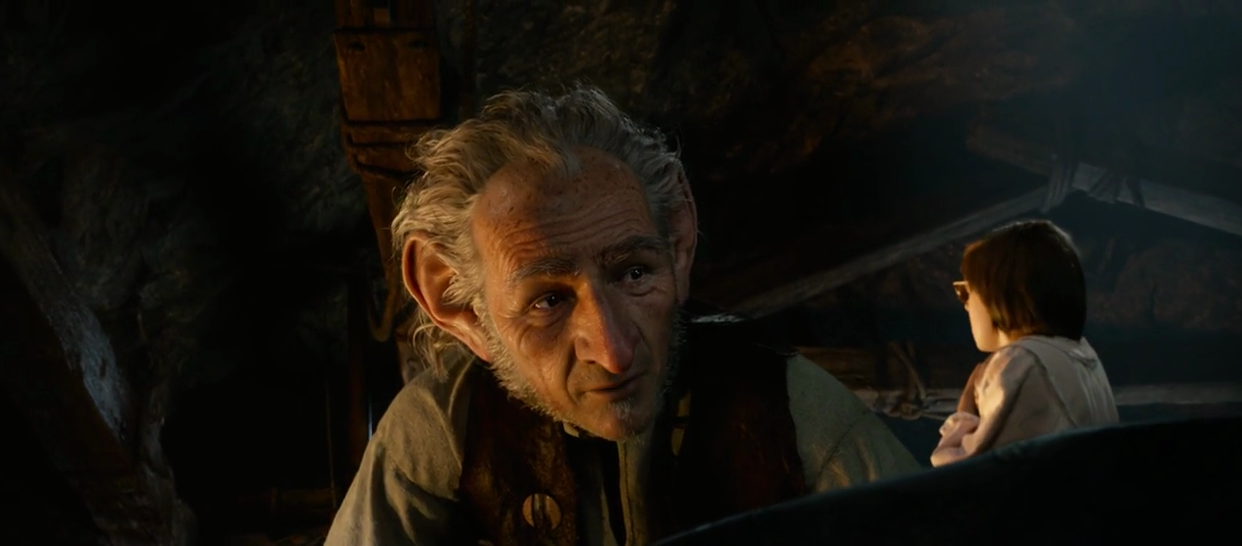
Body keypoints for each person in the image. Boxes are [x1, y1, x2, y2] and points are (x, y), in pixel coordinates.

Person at [324, 85, 919, 546]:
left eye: (634, 273)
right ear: (457, 306)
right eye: (548, 301)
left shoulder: (790, 409)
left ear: (679, 242)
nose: (614, 351)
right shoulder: (445, 428)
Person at [930, 220, 1118, 468]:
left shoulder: (1020, 362)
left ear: (1000, 294)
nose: (966, 305)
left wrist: (963, 418)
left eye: (966, 292)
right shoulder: (1083, 356)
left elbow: (966, 473)